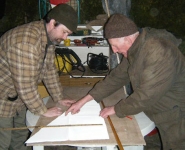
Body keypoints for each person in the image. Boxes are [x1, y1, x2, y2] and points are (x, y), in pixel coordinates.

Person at [65, 14, 185, 150]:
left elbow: (145, 96)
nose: (114, 51)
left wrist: (116, 109)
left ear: (128, 39)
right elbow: (116, 77)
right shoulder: (135, 49)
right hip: (165, 113)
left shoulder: (158, 52)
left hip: (179, 116)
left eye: (115, 46)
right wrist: (84, 100)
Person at [0, 4, 77, 150]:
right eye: (65, 32)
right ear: (53, 22)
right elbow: (26, 85)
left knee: (21, 138)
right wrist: (42, 110)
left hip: (19, 99)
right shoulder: (26, 43)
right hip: (2, 100)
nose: (65, 37)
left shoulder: (47, 38)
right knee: (3, 141)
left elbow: (49, 70)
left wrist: (58, 97)